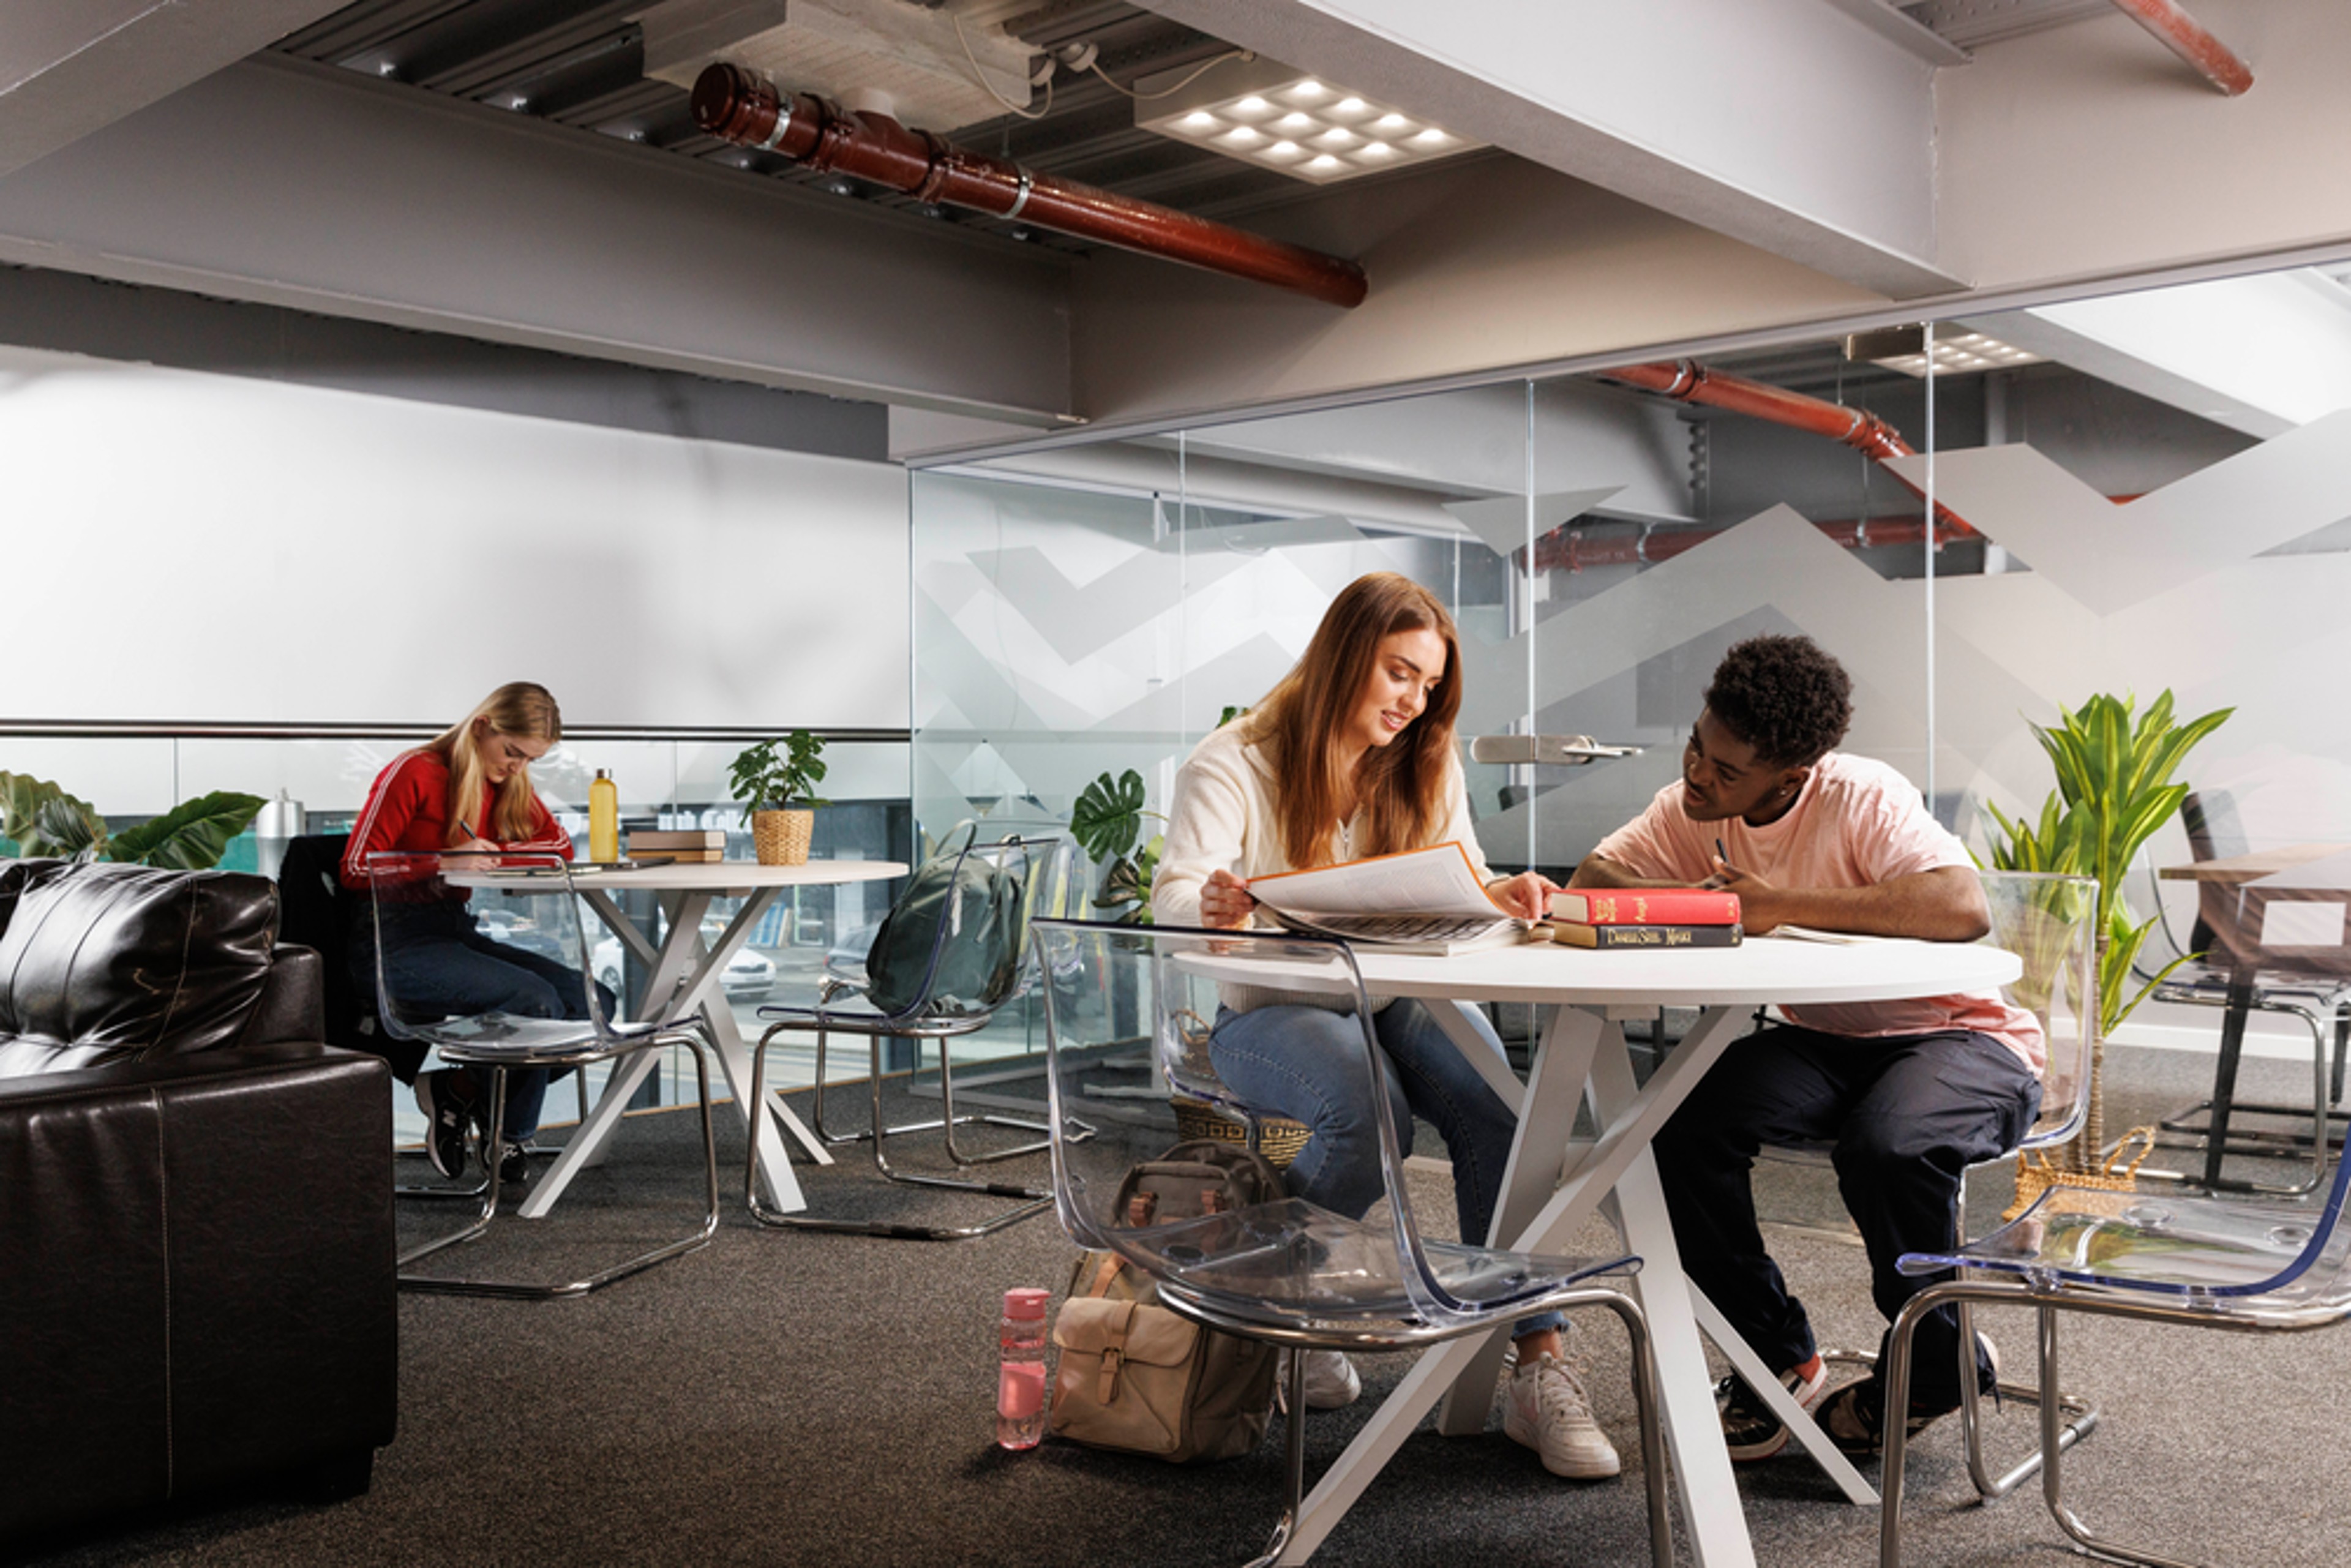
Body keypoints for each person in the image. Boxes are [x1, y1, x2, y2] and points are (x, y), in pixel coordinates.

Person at [1152, 571, 1622, 1481]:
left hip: (1396, 990)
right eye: (1398, 674)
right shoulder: (1234, 759)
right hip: (1269, 1010)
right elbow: (1172, 895)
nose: (1413, 702)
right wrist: (1208, 902)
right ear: (1342, 658)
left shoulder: (1422, 759)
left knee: (1503, 1107)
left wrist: (1503, 895)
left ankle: (1536, 1362)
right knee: (1374, 1119)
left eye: (1428, 685)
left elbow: (1466, 878)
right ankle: (1295, 1293)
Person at [1570, 634, 2042, 1460]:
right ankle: (1777, 1356)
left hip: (1961, 1037)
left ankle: (1941, 1365)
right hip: (1826, 1038)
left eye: (1725, 769)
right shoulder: (1690, 806)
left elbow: (1959, 906)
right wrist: (1698, 904)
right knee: (1669, 1127)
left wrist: (1777, 904)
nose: (1698, 775)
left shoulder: (1862, 794)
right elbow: (1595, 879)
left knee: (1891, 1147)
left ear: (1792, 776)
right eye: (1696, 746)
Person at [342, 681, 597, 1187]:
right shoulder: (414, 771)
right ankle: (510, 1135)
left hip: (453, 931)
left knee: (593, 1004)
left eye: (529, 759)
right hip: (389, 940)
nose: (516, 767)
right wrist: (443, 860)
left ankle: (458, 1088)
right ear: (482, 726)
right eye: (511, 752)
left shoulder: (504, 784)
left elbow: (560, 845)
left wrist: (500, 851)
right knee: (537, 1001)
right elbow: (354, 866)